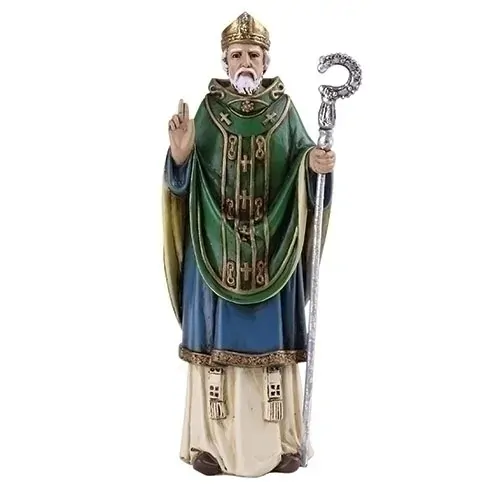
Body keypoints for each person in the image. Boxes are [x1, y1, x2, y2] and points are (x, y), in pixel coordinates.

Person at [161, 11, 335, 477]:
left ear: (265, 61)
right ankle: (210, 444)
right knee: (212, 348)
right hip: (213, 248)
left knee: (272, 350)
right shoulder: (208, 111)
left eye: (253, 55)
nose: (245, 62)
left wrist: (315, 166)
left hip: (272, 248)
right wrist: (180, 155)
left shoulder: (284, 111)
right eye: (236, 54)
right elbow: (181, 186)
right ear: (225, 61)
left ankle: (281, 442)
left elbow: (304, 165)